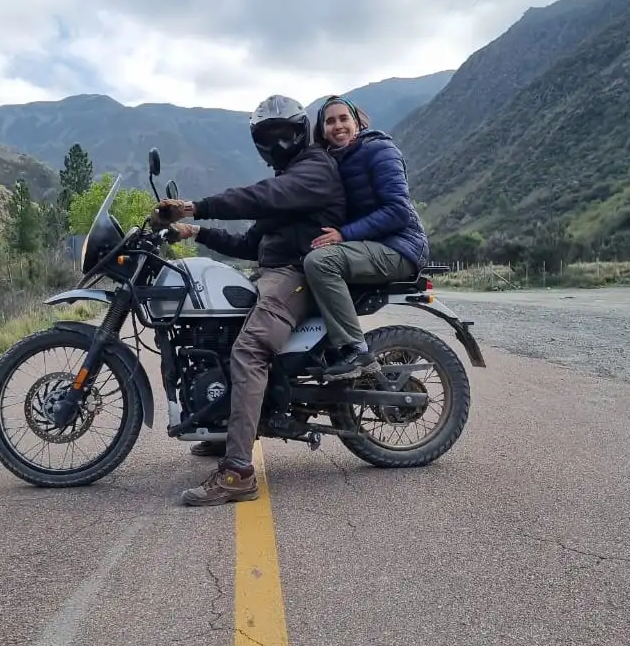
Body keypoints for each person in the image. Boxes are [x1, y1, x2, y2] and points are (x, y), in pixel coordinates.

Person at [155, 94, 346, 507]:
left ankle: (239, 471)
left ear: (302, 132)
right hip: (277, 271)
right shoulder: (289, 181)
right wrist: (197, 233)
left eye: (286, 134)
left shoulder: (313, 170)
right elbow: (248, 243)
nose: (278, 144)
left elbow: (261, 196)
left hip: (299, 274)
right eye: (269, 136)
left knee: (249, 350)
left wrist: (193, 207)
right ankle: (224, 426)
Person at [303, 95, 429, 380]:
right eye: (330, 121)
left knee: (320, 263)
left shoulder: (379, 149)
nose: (338, 126)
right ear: (322, 130)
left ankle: (355, 352)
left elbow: (398, 211)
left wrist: (344, 234)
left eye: (343, 118)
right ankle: (326, 351)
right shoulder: (335, 160)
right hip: (373, 244)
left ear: (357, 122)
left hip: (399, 246)